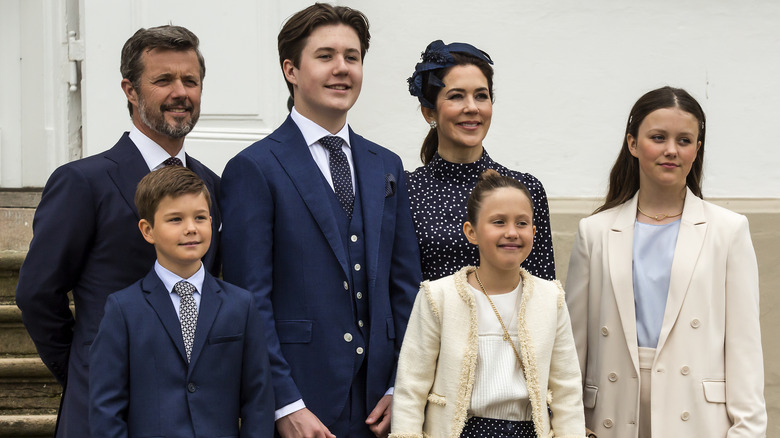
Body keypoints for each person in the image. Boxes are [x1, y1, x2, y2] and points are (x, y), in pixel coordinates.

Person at [219, 4, 422, 438]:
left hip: (380, 408)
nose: (342, 69)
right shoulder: (254, 167)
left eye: (352, 57)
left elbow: (405, 287)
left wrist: (400, 385)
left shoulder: (385, 164)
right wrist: (284, 403)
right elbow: (249, 300)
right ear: (291, 69)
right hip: (299, 407)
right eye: (325, 56)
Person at [14, 25, 222, 437]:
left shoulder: (212, 185)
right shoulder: (82, 182)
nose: (181, 92)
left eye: (190, 81)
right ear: (130, 90)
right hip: (104, 412)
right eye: (163, 80)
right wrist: (85, 368)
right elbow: (37, 294)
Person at [565, 86, 766, 437]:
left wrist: (747, 430)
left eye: (684, 140)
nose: (671, 150)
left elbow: (744, 348)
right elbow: (572, 349)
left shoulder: (728, 231)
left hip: (696, 414)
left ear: (697, 149)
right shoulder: (594, 232)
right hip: (610, 412)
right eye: (658, 137)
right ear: (632, 144)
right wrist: (569, 427)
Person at [391, 169, 585, 438]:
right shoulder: (438, 296)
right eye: (498, 222)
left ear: (534, 231)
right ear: (471, 232)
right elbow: (411, 387)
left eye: (522, 223)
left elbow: (567, 388)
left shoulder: (550, 298)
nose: (512, 232)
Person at [89, 166, 273, 437]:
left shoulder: (240, 304)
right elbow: (106, 408)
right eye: (175, 220)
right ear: (148, 230)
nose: (190, 229)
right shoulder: (123, 309)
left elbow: (258, 399)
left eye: (200, 218)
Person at [405, 40, 555, 282]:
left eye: (481, 96)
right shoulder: (406, 191)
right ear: (429, 112)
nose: (472, 107)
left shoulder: (525, 189)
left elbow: (543, 289)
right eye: (456, 96)